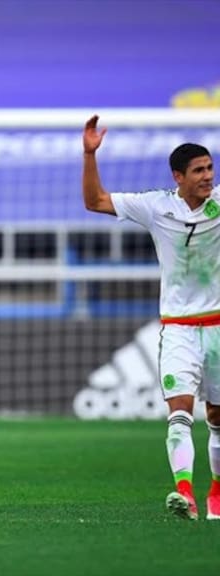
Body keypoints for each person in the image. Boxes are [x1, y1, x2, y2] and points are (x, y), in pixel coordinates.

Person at [82, 115, 220, 521]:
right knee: (178, 412)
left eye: (211, 168)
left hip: (218, 326)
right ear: (179, 176)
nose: (208, 176)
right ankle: (184, 492)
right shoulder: (157, 207)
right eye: (199, 170)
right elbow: (95, 201)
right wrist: (89, 154)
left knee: (216, 417)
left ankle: (215, 492)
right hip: (178, 327)